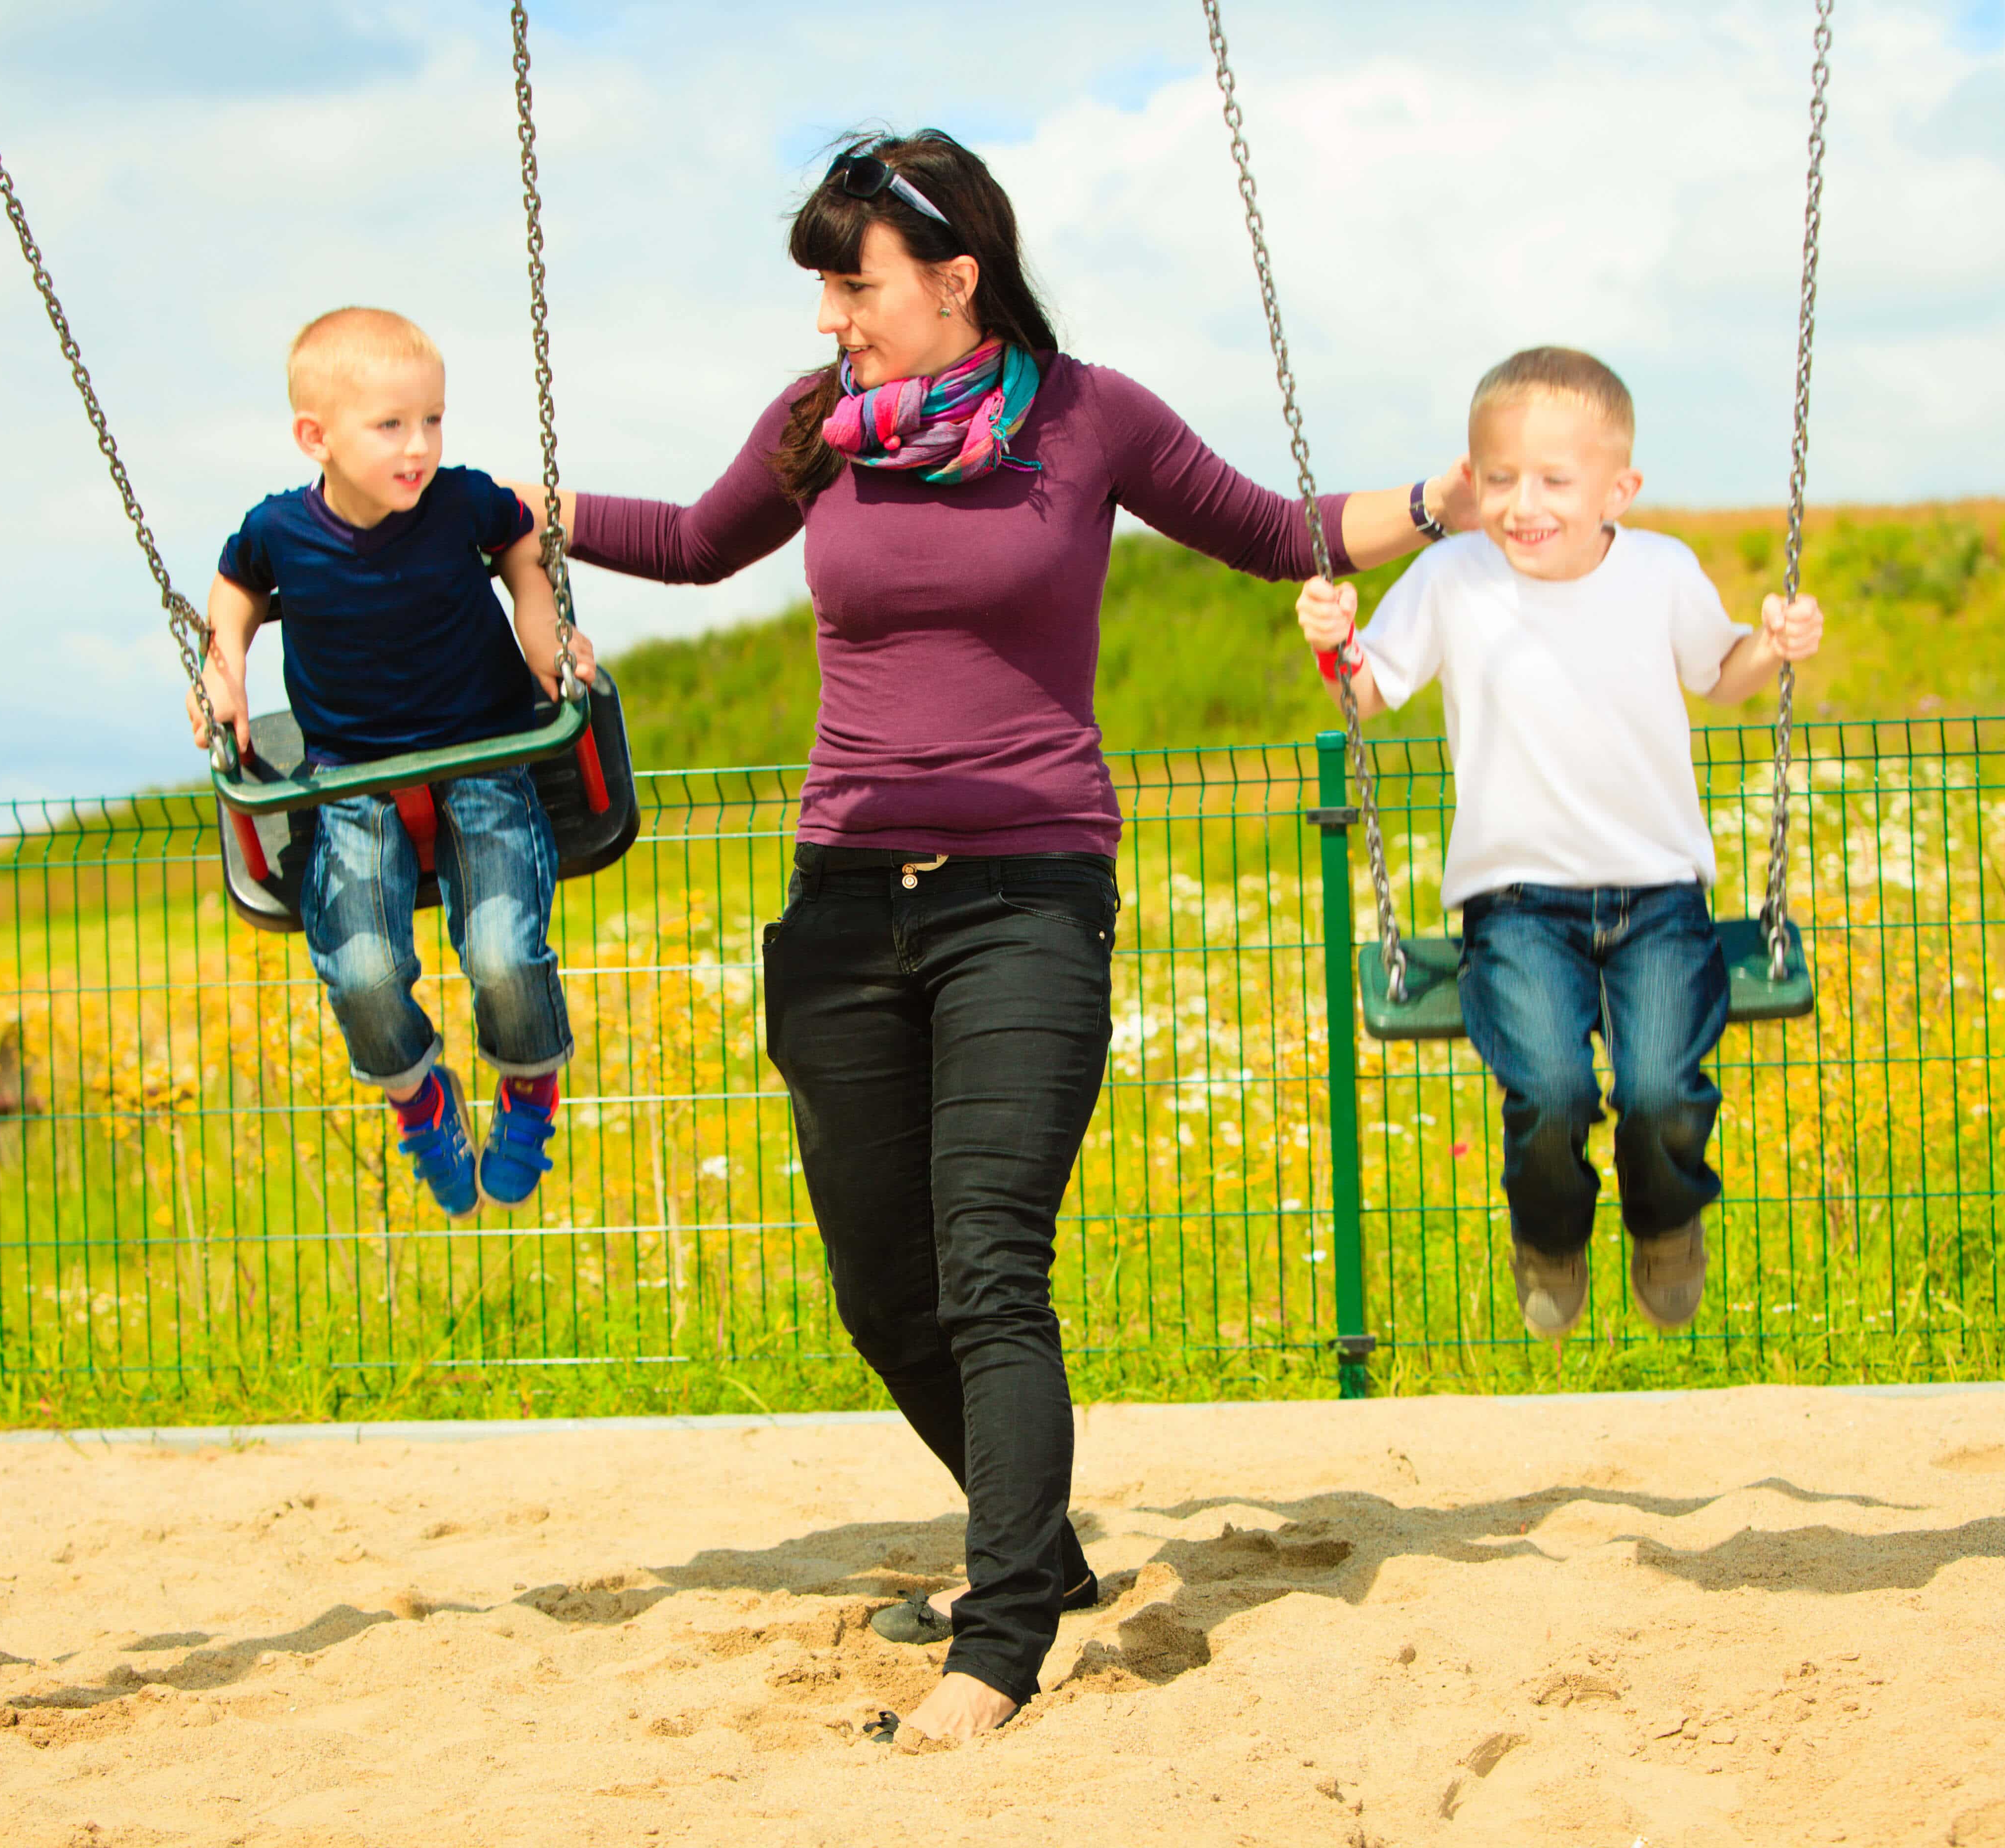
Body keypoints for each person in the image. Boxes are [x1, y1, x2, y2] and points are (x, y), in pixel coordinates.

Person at [524, 131, 1474, 1741]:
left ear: (956, 279)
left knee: (984, 1263)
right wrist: (519, 508)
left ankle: (999, 1634)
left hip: (1025, 892)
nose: (832, 317)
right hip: (840, 900)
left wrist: (1442, 501)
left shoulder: (1086, 418)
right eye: (822, 286)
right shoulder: (821, 424)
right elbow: (695, 540)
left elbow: (1268, 528)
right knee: (880, 1287)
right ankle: (1040, 1546)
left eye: (855, 284)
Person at [1293, 345, 1825, 1344]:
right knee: (1549, 1089)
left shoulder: (1661, 571)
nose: (1520, 503)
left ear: (1618, 487)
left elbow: (1726, 675)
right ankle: (1551, 1235)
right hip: (1518, 904)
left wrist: (1777, 644)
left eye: (1552, 480)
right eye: (1497, 479)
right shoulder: (1451, 576)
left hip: (1659, 893)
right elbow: (1363, 695)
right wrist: (1334, 638)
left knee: (1665, 1088)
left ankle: (1667, 1222)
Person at [189, 307, 600, 1218]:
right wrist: (224, 673)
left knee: (502, 952)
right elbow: (236, 590)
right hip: (349, 778)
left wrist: (541, 622)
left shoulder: (457, 502)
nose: (420, 446)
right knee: (361, 968)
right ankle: (420, 1096)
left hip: (487, 752)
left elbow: (523, 535)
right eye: (390, 426)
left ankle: (529, 1086)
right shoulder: (279, 532)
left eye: (433, 420)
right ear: (316, 438)